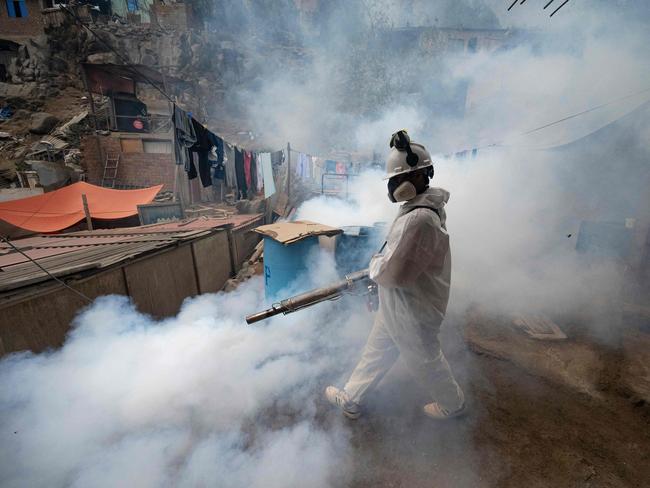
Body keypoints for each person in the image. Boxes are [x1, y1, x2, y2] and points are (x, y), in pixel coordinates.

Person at [325, 130, 465, 420]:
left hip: (413, 308)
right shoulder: (418, 209)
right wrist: (379, 281)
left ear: (417, 177)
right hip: (401, 302)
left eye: (395, 179)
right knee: (377, 351)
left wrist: (374, 270)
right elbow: (398, 262)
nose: (391, 186)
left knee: (426, 360)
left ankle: (453, 404)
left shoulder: (420, 218)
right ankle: (352, 398)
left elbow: (394, 271)